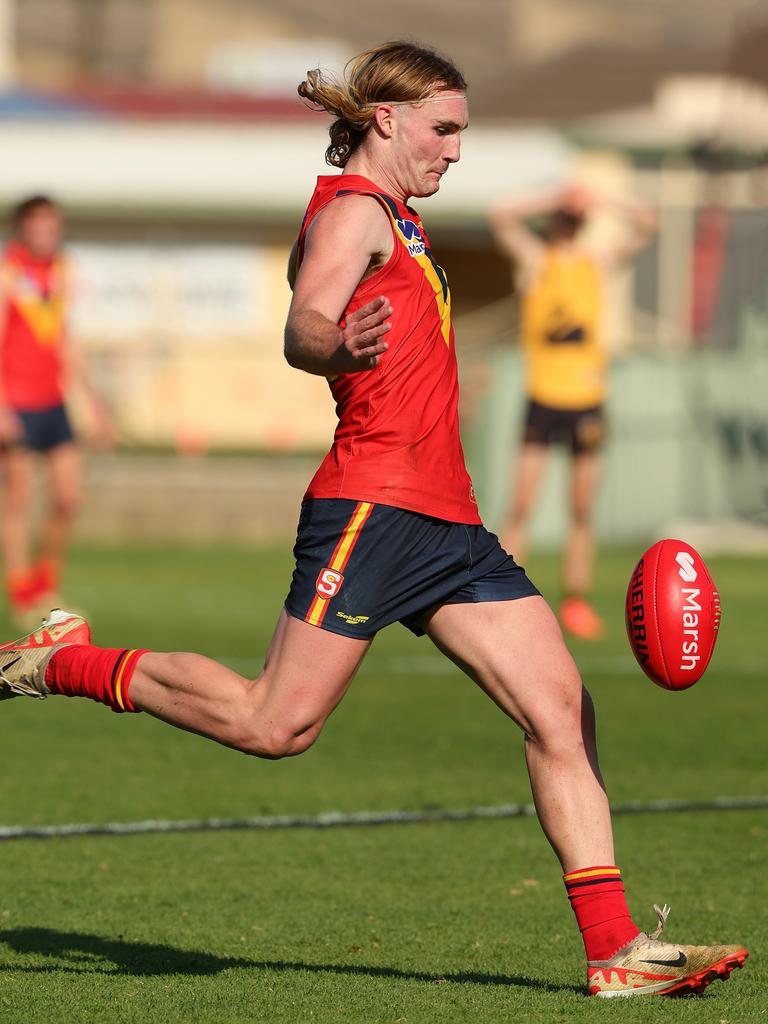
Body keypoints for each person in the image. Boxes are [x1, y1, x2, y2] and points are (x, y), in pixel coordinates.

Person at [0, 42, 746, 997]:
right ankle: (62, 660)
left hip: (450, 526)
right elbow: (303, 322)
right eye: (444, 129)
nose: (457, 151)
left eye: (464, 131)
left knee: (560, 708)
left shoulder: (399, 217)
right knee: (275, 726)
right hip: (373, 506)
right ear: (386, 121)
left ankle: (614, 950)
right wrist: (333, 342)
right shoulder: (354, 213)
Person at [489, 187, 657, 640]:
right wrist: (552, 198)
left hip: (586, 398)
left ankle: (576, 600)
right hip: (542, 396)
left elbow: (647, 222)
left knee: (581, 507)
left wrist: (598, 199)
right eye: (567, 218)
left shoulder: (594, 261)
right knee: (520, 504)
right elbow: (502, 215)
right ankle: (500, 597)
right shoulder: (537, 260)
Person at [0, 195, 115, 623]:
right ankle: (21, 593)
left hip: (52, 401)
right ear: (22, 228)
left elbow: (65, 343)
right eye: (39, 225)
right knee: (19, 498)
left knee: (68, 496)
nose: (48, 232)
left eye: (53, 225)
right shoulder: (8, 271)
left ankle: (46, 584)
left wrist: (95, 405)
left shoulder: (60, 273)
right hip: (16, 402)